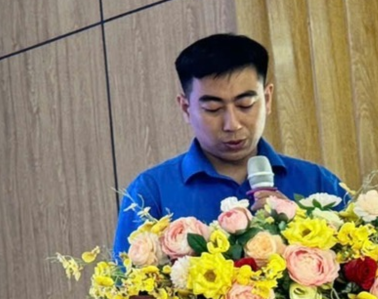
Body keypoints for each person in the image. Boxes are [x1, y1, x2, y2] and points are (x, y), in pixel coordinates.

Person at [113, 33, 347, 255]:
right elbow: (125, 282)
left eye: (245, 105)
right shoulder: (152, 193)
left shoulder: (318, 184)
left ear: (267, 99)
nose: (232, 124)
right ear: (186, 108)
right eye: (213, 108)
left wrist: (300, 226)